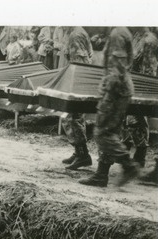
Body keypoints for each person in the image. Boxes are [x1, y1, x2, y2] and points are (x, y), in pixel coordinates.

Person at [80, 27, 141, 188]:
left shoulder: (117, 34)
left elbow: (117, 69)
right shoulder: (120, 32)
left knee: (102, 132)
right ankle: (101, 175)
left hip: (115, 91)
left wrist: (107, 95)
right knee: (110, 132)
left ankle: (129, 165)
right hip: (120, 90)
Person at [124, 27, 158, 168]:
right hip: (130, 85)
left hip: (140, 89)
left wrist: (140, 94)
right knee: (128, 121)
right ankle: (127, 155)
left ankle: (140, 157)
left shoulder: (148, 41)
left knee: (136, 121)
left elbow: (149, 71)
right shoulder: (135, 37)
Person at [61, 26, 94, 170]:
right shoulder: (76, 32)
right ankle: (79, 152)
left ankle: (83, 155)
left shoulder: (75, 34)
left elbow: (78, 64)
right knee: (73, 117)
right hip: (80, 81)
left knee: (74, 117)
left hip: (78, 82)